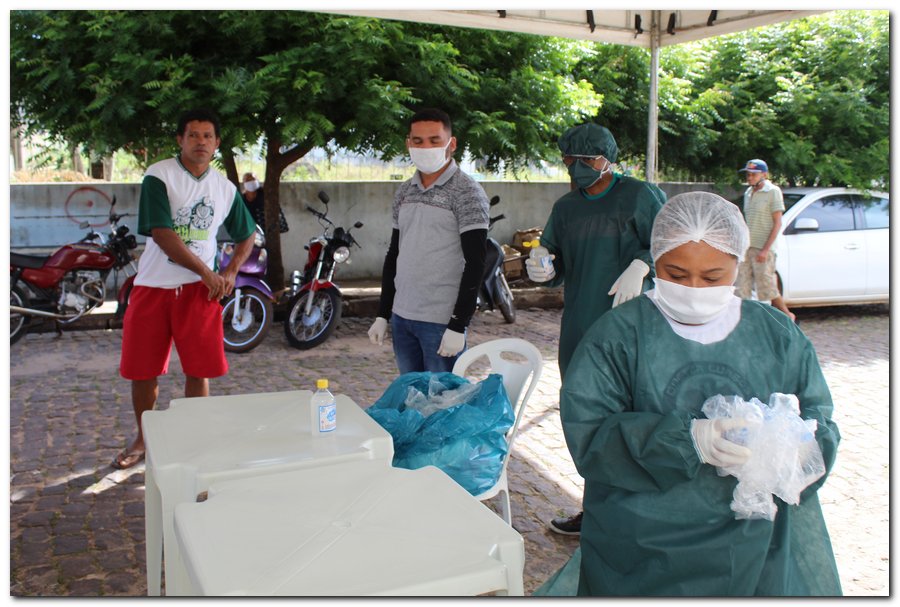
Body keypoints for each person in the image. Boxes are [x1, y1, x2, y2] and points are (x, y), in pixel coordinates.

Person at [554, 191, 841, 595]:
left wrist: (797, 454)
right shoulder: (617, 336)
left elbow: (819, 419)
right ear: (654, 261)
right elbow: (588, 435)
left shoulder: (777, 336)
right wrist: (688, 441)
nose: (692, 288)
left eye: (711, 278)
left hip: (751, 548)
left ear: (737, 266)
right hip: (642, 551)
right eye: (674, 273)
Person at [526, 122, 666, 535]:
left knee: (631, 420)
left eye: (587, 159)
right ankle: (596, 512)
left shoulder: (639, 196)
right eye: (571, 159)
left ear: (609, 158)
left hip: (633, 327)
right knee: (588, 420)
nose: (578, 167)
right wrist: (543, 267)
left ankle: (637, 514)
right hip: (581, 325)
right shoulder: (567, 209)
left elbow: (670, 241)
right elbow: (554, 259)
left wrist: (643, 265)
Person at [113, 109, 256, 469]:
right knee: (142, 370)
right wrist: (209, 273)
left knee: (199, 369)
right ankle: (144, 439)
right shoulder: (159, 175)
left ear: (217, 143)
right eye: (193, 135)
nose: (201, 142)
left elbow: (246, 234)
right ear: (180, 140)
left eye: (208, 136)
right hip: (154, 287)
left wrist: (231, 270)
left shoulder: (223, 187)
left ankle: (196, 441)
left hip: (198, 293)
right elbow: (162, 233)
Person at [367, 108, 489, 374]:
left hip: (440, 321)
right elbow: (394, 254)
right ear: (408, 143)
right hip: (402, 318)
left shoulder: (467, 192)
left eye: (434, 140)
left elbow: (477, 262)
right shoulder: (404, 192)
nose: (425, 147)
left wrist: (458, 324)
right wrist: (383, 314)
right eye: (418, 141)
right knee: (412, 399)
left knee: (442, 404)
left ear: (451, 143)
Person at [734, 159, 795, 322]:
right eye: (748, 174)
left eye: (753, 174)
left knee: (766, 287)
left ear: (764, 174)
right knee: (742, 287)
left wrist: (766, 249)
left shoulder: (773, 192)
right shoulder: (748, 193)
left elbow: (777, 223)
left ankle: (788, 316)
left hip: (763, 247)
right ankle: (745, 320)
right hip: (748, 246)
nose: (750, 177)